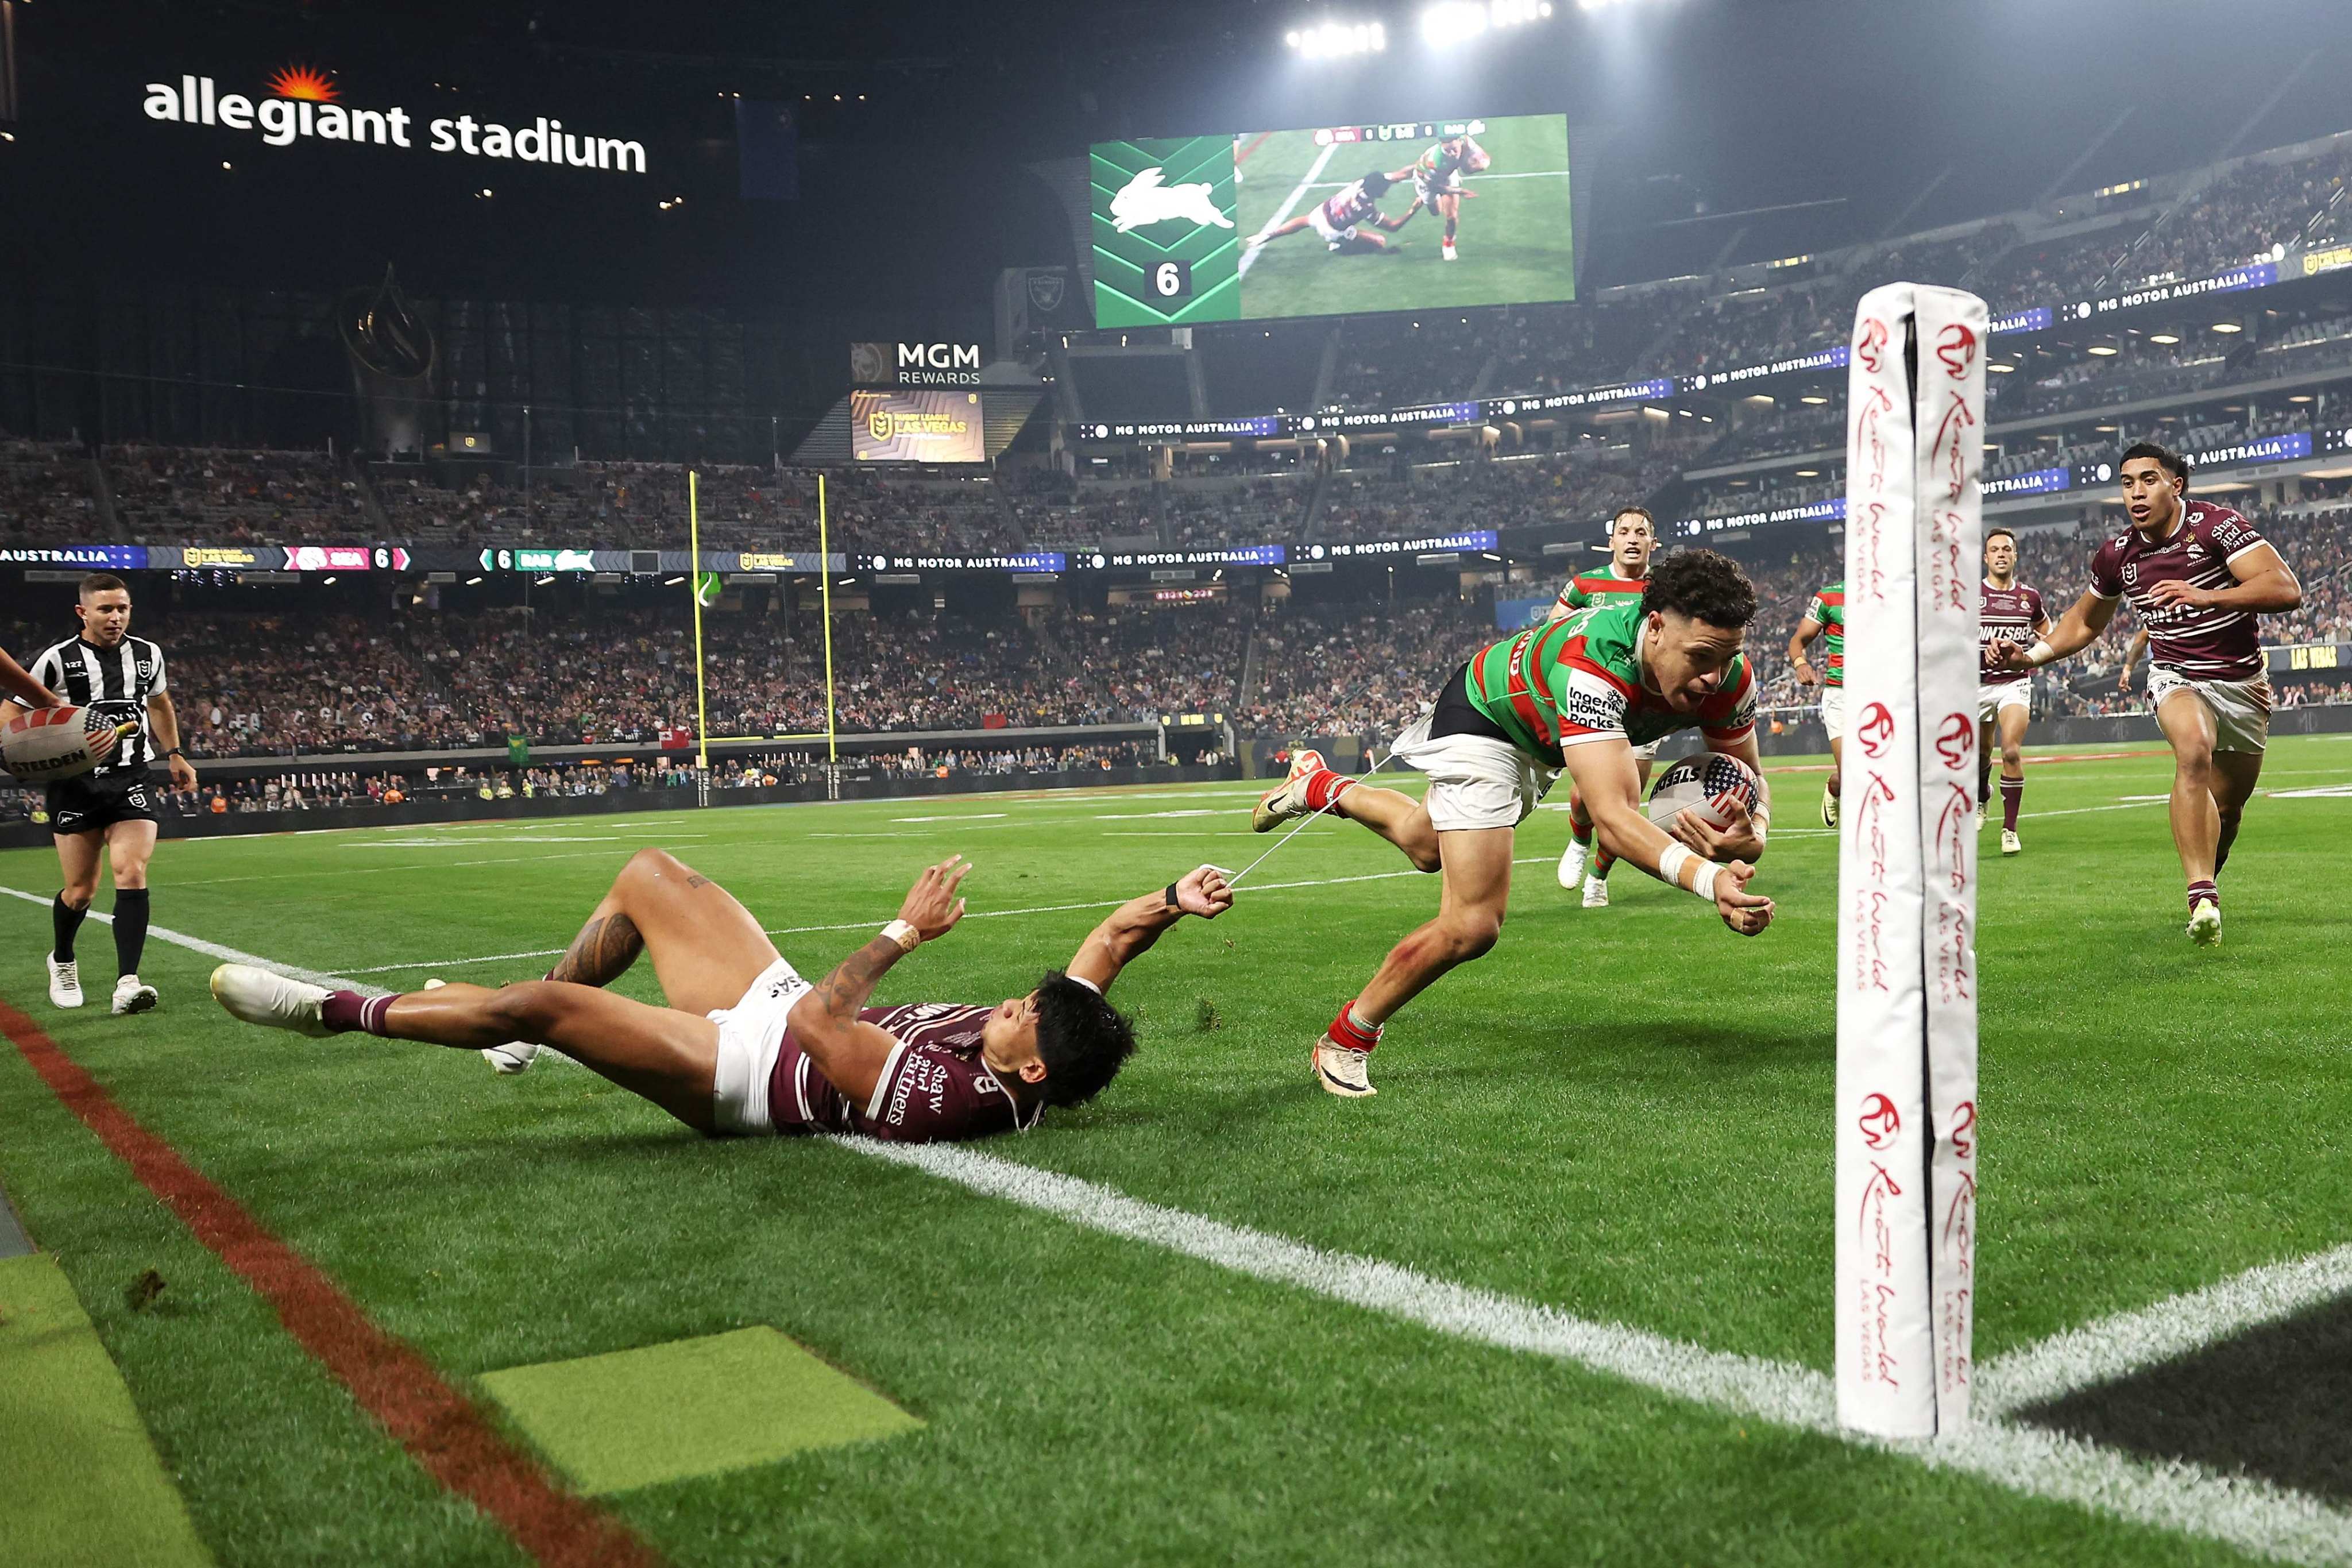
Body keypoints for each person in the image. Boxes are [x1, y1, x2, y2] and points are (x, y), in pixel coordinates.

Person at [209, 850, 1236, 1142]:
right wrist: (1174, 900)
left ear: (1034, 1067)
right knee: (654, 877)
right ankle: (512, 1042)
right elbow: (1105, 943)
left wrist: (901, 932)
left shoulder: (959, 1100)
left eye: (1019, 1013)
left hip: (747, 1073)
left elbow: (815, 1025)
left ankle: (331, 1010)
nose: (1008, 1004)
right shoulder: (1045, 1035)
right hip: (776, 1007)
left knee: (541, 1005)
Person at [1253, 550, 1775, 1100]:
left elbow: (1751, 778)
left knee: (1420, 843)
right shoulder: (1595, 662)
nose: (1713, 677)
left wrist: (1755, 830)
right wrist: (1708, 879)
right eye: (1699, 657)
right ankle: (1346, 1039)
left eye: (1727, 657)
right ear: (1655, 627)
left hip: (1543, 736)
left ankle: (1316, 786)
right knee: (1472, 924)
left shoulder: (1729, 677)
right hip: (1487, 715)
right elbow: (1615, 821)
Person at [1989, 442, 2300, 944]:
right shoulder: (2116, 554)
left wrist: (2207, 594)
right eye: (2127, 482)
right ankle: (2200, 894)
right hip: (2176, 676)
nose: (2136, 491)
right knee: (2192, 750)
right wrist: (2030, 656)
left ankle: (2209, 880)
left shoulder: (2216, 526)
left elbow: (2286, 589)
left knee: (2227, 811)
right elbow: (2083, 622)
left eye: (2148, 480)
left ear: (2175, 485)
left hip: (2243, 685)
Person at [0, 574, 195, 1013]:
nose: (116, 617)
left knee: (130, 871)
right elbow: (13, 708)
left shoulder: (148, 656)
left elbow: (160, 704)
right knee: (81, 891)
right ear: (82, 612)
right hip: (76, 785)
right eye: (106, 609)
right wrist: (15, 752)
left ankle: (128, 982)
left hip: (132, 776)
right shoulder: (56, 659)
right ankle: (63, 959)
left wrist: (176, 753)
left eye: (123, 607)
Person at [1550, 506, 1659, 906]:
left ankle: (1598, 877)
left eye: (1641, 532)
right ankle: (1579, 840)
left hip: (1645, 710)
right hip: (1595, 703)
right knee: (1583, 797)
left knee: (1624, 807)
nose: (1632, 538)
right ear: (1611, 540)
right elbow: (1552, 636)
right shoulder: (1583, 585)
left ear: (1653, 542)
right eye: (1624, 531)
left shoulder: (1663, 588)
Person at [1978, 527, 2053, 856]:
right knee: (1980, 757)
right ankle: (1982, 794)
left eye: (2007, 549)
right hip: (1976, 684)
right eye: (1995, 550)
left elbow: (2049, 633)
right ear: (1986, 557)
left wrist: (2035, 650)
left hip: (2014, 682)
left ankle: (2010, 829)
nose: (2001, 554)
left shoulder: (2030, 598)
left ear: (2015, 555)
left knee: (2010, 751)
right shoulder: (1970, 596)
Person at [1788, 579, 1845, 827]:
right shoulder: (1829, 597)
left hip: (1881, 695)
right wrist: (1801, 664)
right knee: (1855, 775)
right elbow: (1798, 641)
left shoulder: (1894, 595)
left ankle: (1836, 785)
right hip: (1841, 695)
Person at [1382, 132, 1489, 261]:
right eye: (1447, 151)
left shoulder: (1466, 140)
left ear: (1460, 143)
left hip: (1447, 175)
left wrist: (1481, 164)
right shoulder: (1435, 162)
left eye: (1454, 150)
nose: (1452, 154)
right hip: (1428, 182)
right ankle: (1407, 176)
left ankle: (1449, 244)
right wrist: (1460, 191)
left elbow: (1485, 158)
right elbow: (1435, 187)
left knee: (1452, 216)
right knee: (1436, 211)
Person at [1246, 171, 1409, 254]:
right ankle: (1340, 246)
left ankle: (1268, 235)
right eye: (1385, 190)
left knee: (1305, 220)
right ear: (1377, 191)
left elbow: (1395, 176)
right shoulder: (1366, 208)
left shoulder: (1361, 184)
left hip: (1322, 212)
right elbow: (1393, 227)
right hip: (1333, 231)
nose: (1387, 191)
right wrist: (1415, 207)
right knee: (1379, 241)